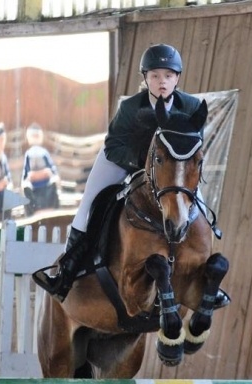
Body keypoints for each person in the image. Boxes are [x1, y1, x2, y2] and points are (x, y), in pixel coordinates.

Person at [40, 43, 224, 305]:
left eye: (168, 76)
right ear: (145, 78)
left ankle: (206, 278)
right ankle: (67, 271)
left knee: (198, 206)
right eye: (155, 76)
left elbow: (194, 148)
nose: (162, 82)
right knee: (88, 206)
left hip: (172, 169)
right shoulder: (131, 108)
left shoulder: (192, 107)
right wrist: (142, 162)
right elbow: (113, 146)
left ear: (177, 78)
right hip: (123, 158)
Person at [22, 122, 60, 214]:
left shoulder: (44, 153)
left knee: (54, 185)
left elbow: (53, 172)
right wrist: (30, 178)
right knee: (26, 189)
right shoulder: (28, 154)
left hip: (46, 186)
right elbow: (25, 175)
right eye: (33, 136)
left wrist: (46, 174)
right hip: (34, 188)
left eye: (37, 135)